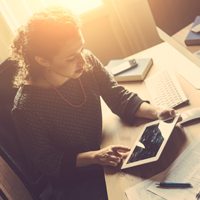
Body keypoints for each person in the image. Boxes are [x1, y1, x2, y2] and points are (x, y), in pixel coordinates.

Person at [11, 6, 175, 200]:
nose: (82, 60)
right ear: (43, 60)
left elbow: (118, 97)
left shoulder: (86, 62)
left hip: (105, 154)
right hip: (75, 179)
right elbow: (48, 163)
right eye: (71, 57)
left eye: (81, 49)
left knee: (168, 168)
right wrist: (95, 157)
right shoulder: (26, 108)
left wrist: (158, 112)